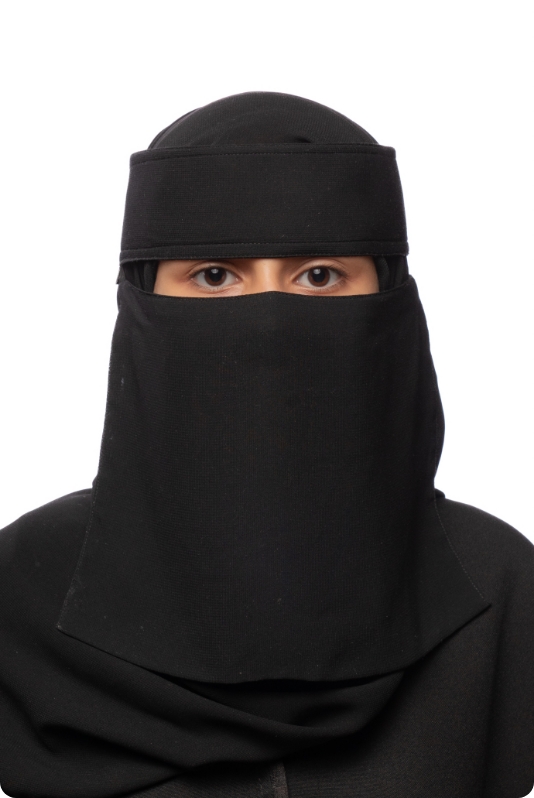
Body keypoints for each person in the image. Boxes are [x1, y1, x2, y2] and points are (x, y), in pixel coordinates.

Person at [0, 91, 532, 798]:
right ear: (140, 302)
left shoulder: (498, 590)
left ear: (391, 300)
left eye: (320, 275)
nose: (271, 321)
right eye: (215, 275)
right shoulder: (21, 591)